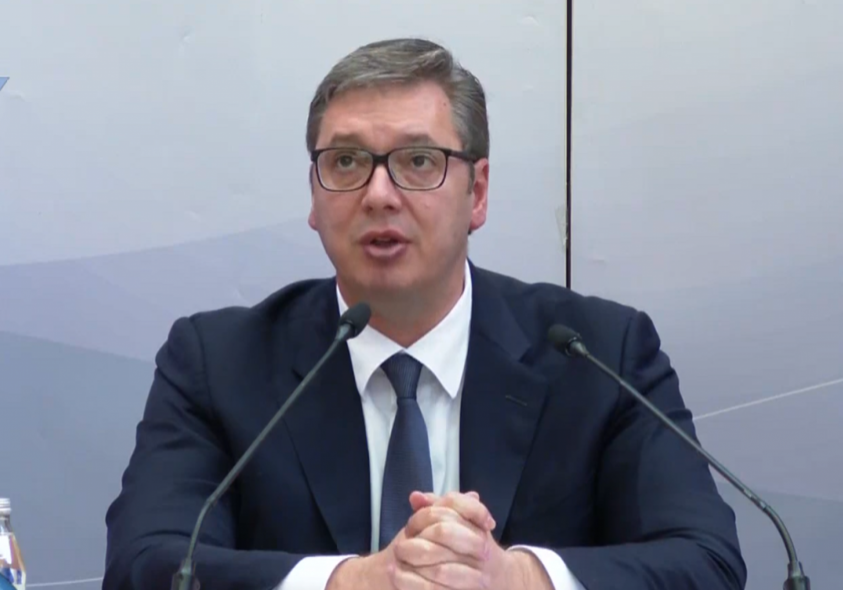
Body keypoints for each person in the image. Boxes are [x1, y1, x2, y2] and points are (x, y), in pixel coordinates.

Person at [103, 38, 746, 590]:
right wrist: (352, 581)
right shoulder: (220, 363)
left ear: (478, 193)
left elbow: (706, 562)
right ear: (314, 197)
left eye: (418, 161)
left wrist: (514, 577)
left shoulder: (598, 353)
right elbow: (145, 565)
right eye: (346, 162)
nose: (379, 195)